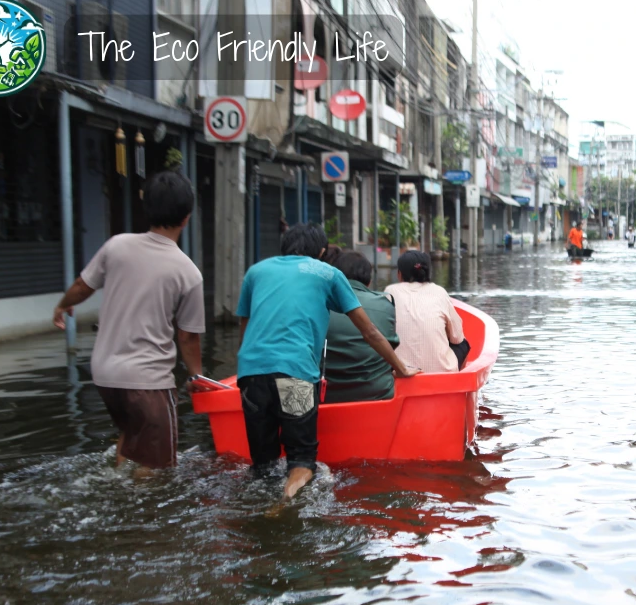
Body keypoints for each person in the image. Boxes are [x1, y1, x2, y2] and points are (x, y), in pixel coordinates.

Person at [236, 223, 418, 500]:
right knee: (301, 461)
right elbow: (369, 331)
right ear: (321, 251)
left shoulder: (256, 272)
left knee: (264, 465)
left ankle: (260, 506)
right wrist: (401, 368)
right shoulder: (327, 273)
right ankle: (286, 501)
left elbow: (245, 329)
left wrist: (248, 370)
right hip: (294, 376)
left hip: (251, 376)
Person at [52, 170, 204, 473]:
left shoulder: (116, 246)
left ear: (146, 209)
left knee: (132, 436)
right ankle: (132, 511)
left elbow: (83, 285)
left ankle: (118, 488)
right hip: (148, 381)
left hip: (105, 374)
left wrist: (62, 305)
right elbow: (187, 337)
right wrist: (198, 378)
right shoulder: (188, 272)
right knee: (157, 466)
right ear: (186, 217)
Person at [321, 251, 401, 404]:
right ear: (369, 281)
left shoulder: (319, 302)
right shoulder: (385, 303)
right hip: (377, 394)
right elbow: (391, 345)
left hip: (326, 395)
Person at [385, 250, 465, 375]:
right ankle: (455, 377)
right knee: (463, 344)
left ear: (399, 274)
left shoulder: (390, 291)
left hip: (399, 372)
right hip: (441, 373)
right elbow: (457, 337)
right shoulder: (439, 292)